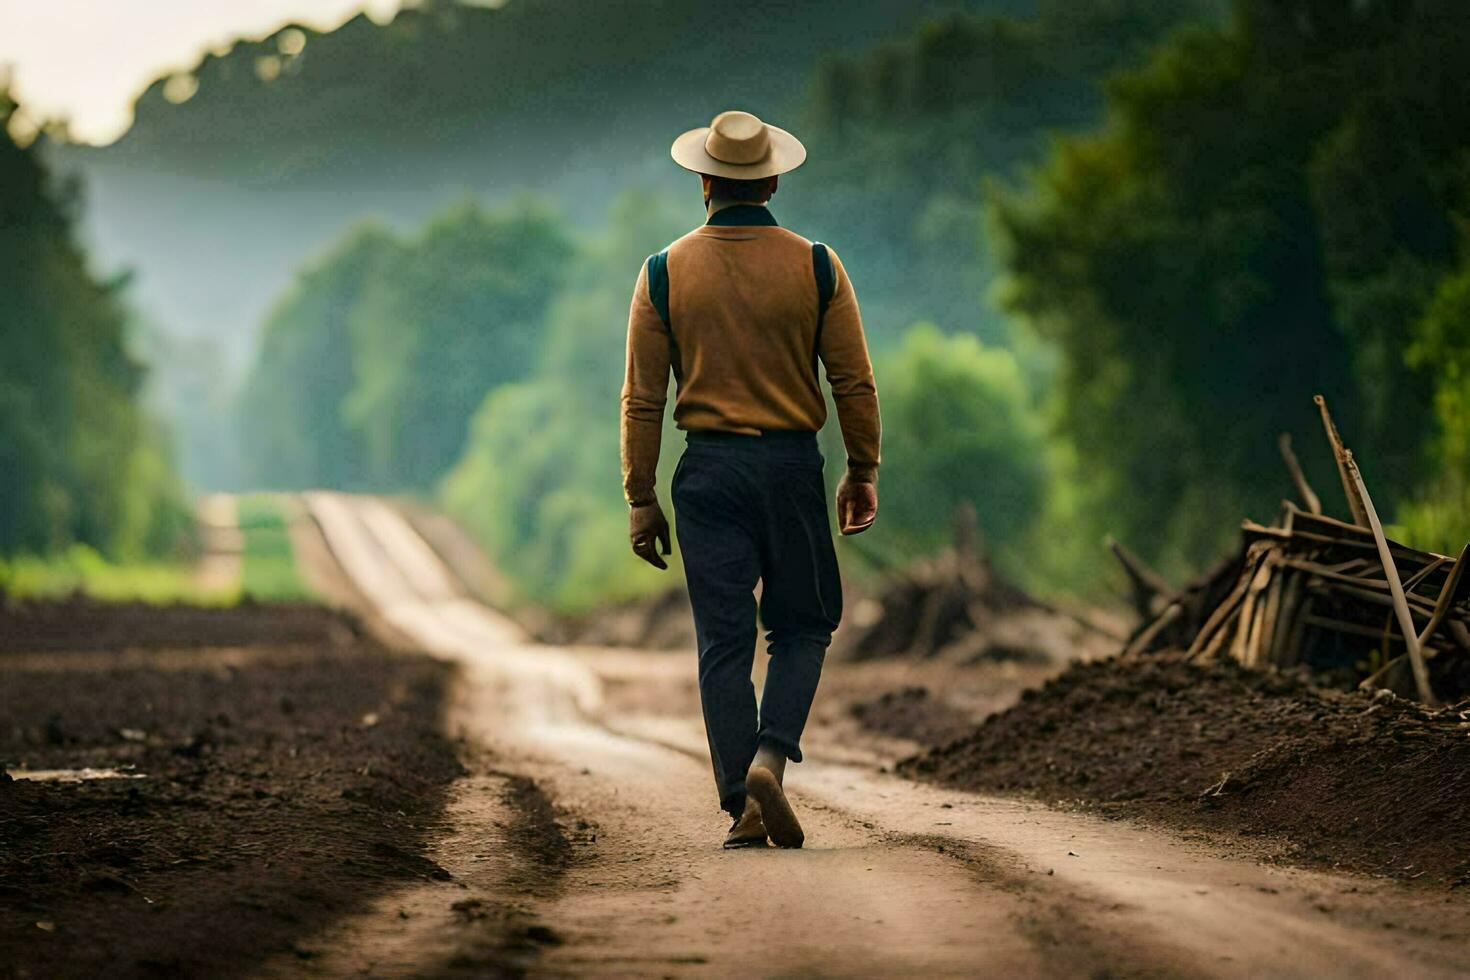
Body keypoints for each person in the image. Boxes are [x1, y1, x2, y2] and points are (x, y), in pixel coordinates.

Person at [619, 110, 881, 849]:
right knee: (803, 626)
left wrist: (641, 498)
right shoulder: (818, 266)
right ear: (770, 180)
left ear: (704, 181)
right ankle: (771, 757)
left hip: (707, 471)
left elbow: (642, 398)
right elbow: (854, 383)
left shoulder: (664, 272)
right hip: (792, 467)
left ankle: (742, 804)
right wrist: (862, 468)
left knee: (723, 643)